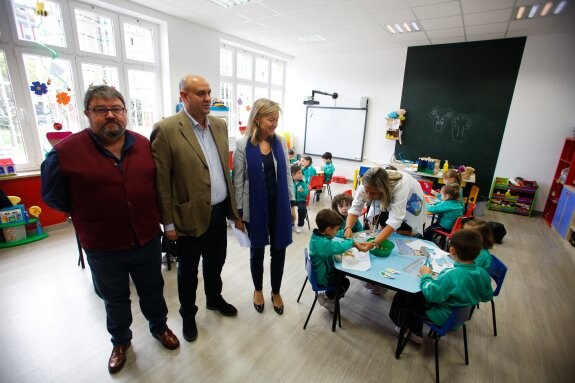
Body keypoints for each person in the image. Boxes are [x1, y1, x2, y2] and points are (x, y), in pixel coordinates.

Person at [41, 85, 179, 374]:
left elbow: (156, 186)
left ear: (125, 112)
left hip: (145, 238)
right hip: (103, 246)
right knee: (114, 298)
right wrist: (88, 211)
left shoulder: (143, 145)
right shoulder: (65, 152)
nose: (110, 115)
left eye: (116, 108)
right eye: (101, 110)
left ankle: (159, 327)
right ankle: (120, 342)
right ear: (87, 114)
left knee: (153, 289)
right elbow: (54, 196)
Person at [151, 74, 243, 343]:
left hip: (218, 211)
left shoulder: (218, 124)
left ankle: (214, 299)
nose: (207, 98)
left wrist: (233, 210)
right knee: (188, 271)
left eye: (209, 92)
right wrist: (168, 224)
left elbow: (220, 169)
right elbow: (162, 182)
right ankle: (188, 315)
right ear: (184, 97)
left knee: (216, 263)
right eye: (200, 93)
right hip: (187, 215)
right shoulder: (166, 129)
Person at [233, 98, 296, 315]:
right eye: (271, 119)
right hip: (255, 208)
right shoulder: (243, 145)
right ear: (258, 119)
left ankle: (276, 291)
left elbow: (287, 174)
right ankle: (258, 290)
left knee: (279, 250)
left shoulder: (280, 142)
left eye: (277, 119)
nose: (275, 124)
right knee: (256, 251)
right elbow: (238, 181)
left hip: (278, 206)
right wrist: (238, 214)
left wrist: (292, 204)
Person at [388, 229, 493, 344]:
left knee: (404, 296)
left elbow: (431, 295)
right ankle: (413, 327)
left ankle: (410, 331)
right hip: (459, 316)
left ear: (452, 250)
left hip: (441, 315)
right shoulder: (483, 273)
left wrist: (426, 275)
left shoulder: (451, 275)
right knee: (415, 296)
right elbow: (487, 297)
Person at [344, 167, 426, 247]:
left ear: (384, 191)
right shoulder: (366, 184)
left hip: (410, 198)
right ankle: (383, 241)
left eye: (373, 193)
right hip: (386, 192)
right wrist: (348, 227)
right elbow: (355, 209)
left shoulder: (400, 187)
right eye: (367, 191)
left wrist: (373, 244)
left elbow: (395, 220)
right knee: (383, 223)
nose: (369, 196)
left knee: (404, 230)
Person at [310, 209, 369, 312]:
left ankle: (328, 295)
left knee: (342, 274)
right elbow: (339, 247)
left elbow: (335, 237)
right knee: (344, 283)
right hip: (323, 278)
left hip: (321, 272)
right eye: (337, 229)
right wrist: (352, 242)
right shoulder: (322, 244)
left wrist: (344, 233)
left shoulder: (318, 236)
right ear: (328, 230)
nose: (337, 231)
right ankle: (328, 298)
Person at [291, 164, 308, 234]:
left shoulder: (303, 183)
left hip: (301, 200)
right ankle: (291, 224)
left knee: (302, 209)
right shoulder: (290, 182)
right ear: (293, 174)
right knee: (286, 209)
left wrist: (302, 191)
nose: (301, 175)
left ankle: (300, 225)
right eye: (299, 173)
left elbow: (306, 194)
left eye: (301, 173)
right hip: (292, 199)